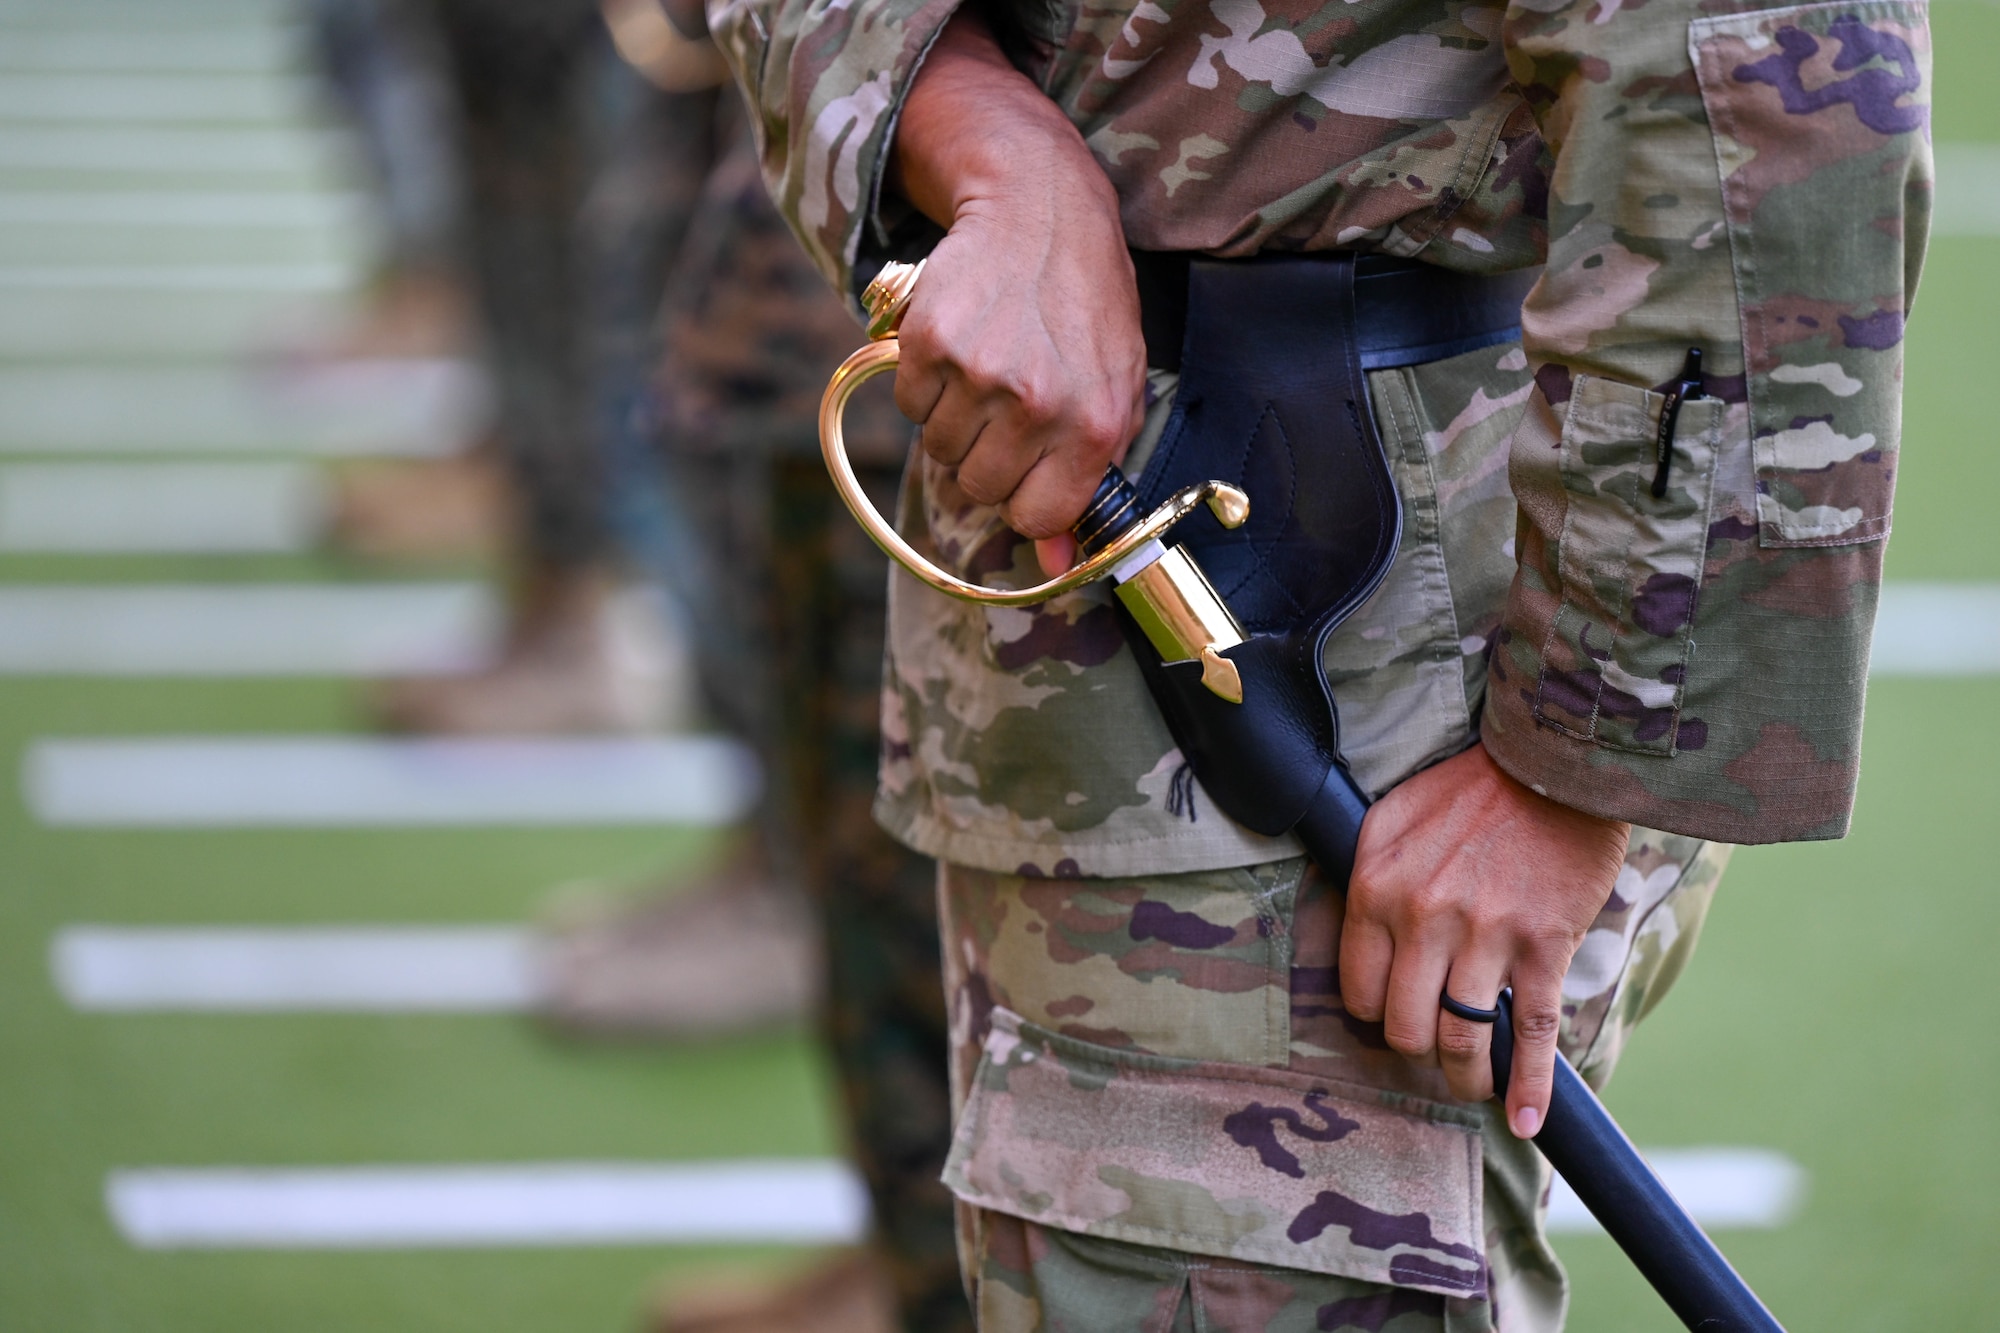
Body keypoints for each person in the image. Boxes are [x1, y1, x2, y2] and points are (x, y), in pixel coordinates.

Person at [706, 0, 1934, 1326]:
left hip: (1386, 664)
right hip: (1081, 618)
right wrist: (981, 140)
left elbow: (1773, 69)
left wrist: (1580, 753)